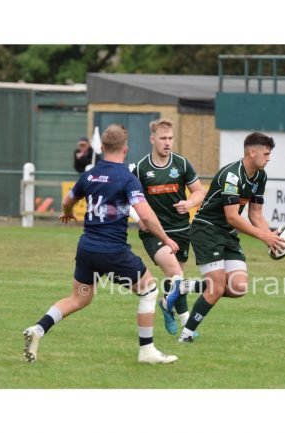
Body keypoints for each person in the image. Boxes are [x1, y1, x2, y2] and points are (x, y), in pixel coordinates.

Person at [23, 124, 180, 364]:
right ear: (125, 149)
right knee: (149, 291)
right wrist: (166, 239)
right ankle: (147, 351)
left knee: (79, 298)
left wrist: (68, 213)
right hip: (113, 252)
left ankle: (38, 329)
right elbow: (146, 216)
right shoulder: (127, 178)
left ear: (103, 148)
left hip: (87, 249)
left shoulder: (90, 175)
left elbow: (67, 201)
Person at [165, 132, 285, 343]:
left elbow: (255, 214)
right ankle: (186, 335)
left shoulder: (260, 176)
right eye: (266, 154)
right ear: (252, 152)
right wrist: (264, 237)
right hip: (206, 230)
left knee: (238, 287)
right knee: (216, 287)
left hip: (227, 233)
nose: (269, 158)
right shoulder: (232, 176)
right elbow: (232, 217)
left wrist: (270, 236)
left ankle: (183, 286)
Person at [130, 118, 207, 336]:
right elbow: (126, 199)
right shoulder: (141, 168)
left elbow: (199, 191)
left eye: (170, 138)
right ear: (152, 139)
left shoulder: (181, 164)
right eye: (163, 138)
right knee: (175, 273)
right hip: (154, 232)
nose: (167, 142)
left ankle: (169, 307)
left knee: (175, 278)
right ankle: (185, 321)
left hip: (181, 230)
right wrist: (138, 218)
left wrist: (190, 203)